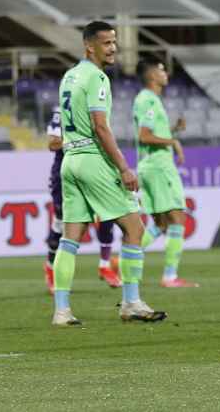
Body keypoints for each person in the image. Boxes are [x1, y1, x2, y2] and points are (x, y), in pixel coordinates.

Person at [51, 20, 167, 326]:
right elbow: (100, 126)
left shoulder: (69, 76)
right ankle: (131, 302)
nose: (113, 48)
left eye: (115, 42)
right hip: (91, 159)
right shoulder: (96, 77)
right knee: (135, 228)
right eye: (106, 43)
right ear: (90, 46)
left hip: (69, 158)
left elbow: (63, 123)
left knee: (70, 237)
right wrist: (123, 167)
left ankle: (61, 311)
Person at [132, 56, 198, 288]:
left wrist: (173, 131)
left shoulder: (148, 100)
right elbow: (144, 135)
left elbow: (150, 134)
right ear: (151, 75)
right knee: (177, 218)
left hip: (149, 165)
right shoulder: (148, 99)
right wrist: (173, 142)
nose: (165, 73)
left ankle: (124, 257)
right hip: (159, 166)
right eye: (161, 70)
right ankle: (170, 276)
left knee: (160, 224)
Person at [43, 105, 121, 294]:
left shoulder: (96, 108)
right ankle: (50, 266)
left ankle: (104, 265)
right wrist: (81, 142)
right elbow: (52, 144)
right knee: (62, 223)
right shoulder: (62, 110)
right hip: (66, 172)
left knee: (107, 213)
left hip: (94, 169)